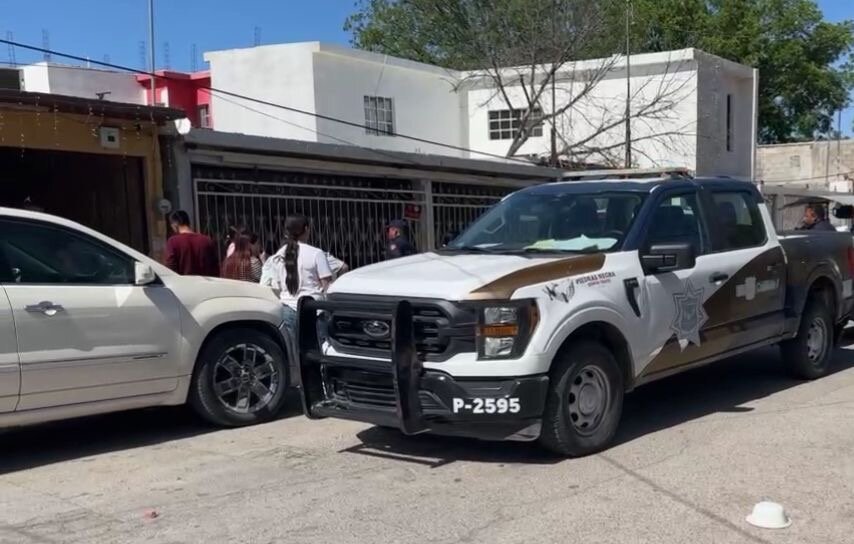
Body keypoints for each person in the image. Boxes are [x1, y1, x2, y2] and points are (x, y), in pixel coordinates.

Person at [261, 215, 333, 330]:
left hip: (287, 309)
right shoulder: (316, 253)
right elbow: (327, 286)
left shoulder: (279, 255)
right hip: (314, 310)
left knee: (291, 342)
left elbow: (278, 284)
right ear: (306, 229)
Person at [164, 210, 219, 276]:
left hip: (184, 281)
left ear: (174, 224)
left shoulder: (173, 241)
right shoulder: (206, 240)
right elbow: (215, 268)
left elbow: (171, 267)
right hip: (204, 281)